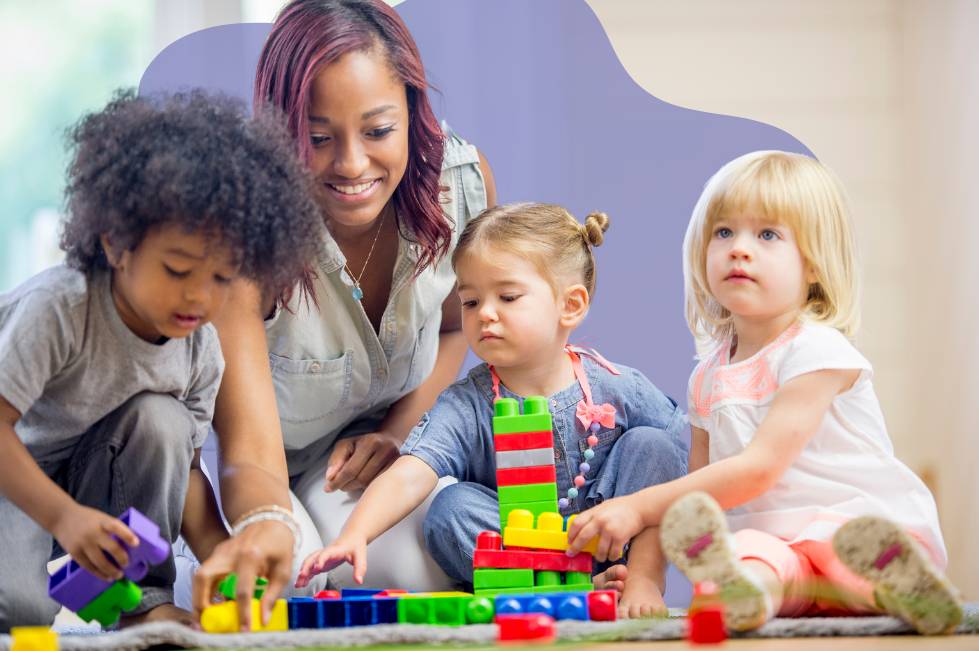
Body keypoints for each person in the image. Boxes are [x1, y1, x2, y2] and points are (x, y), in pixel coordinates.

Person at [188, 0, 497, 627]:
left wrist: (401, 435)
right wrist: (270, 527)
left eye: (379, 131)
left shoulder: (460, 185)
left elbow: (457, 328)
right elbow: (248, 456)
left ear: (412, 112)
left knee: (429, 566)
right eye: (318, 139)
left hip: (404, 455)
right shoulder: (240, 238)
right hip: (284, 473)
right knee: (302, 581)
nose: (352, 165)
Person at [565, 151, 963, 634]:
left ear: (814, 265)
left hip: (855, 525)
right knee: (754, 560)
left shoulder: (816, 349)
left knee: (842, 558)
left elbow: (759, 469)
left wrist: (634, 505)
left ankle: (897, 583)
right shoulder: (707, 376)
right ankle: (746, 594)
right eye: (724, 232)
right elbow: (693, 495)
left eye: (767, 234)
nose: (739, 249)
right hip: (777, 542)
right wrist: (644, 578)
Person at [0, 90, 323, 630]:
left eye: (222, 278)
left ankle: (139, 607)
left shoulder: (200, 348)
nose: (199, 297)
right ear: (116, 243)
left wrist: (225, 556)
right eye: (178, 270)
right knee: (21, 611)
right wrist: (64, 516)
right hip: (14, 474)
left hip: (87, 484)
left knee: (163, 420)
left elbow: (187, 475)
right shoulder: (59, 309)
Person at [295, 203, 688, 618]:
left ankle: (641, 579)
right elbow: (412, 474)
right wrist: (355, 534)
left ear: (570, 305)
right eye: (470, 301)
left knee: (654, 445)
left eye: (508, 296)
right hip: (520, 551)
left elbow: (684, 455)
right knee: (451, 508)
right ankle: (563, 591)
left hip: (612, 540)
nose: (485, 313)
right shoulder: (468, 403)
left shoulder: (614, 384)